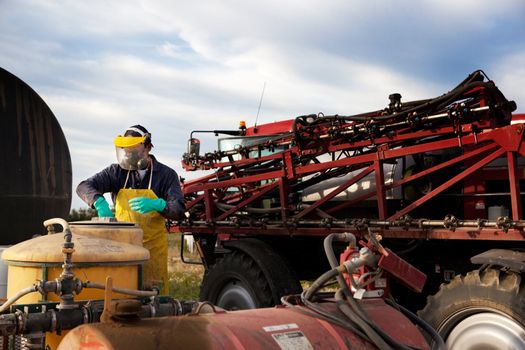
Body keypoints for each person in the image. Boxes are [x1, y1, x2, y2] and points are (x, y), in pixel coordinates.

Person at [76, 125, 185, 295]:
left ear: (148, 147)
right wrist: (98, 202)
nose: (130, 155)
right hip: (122, 250)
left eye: (134, 149)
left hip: (152, 252)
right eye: (127, 150)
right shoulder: (116, 172)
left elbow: (178, 211)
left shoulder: (166, 175)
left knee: (154, 300)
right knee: (121, 298)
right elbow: (83, 186)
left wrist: (159, 205)